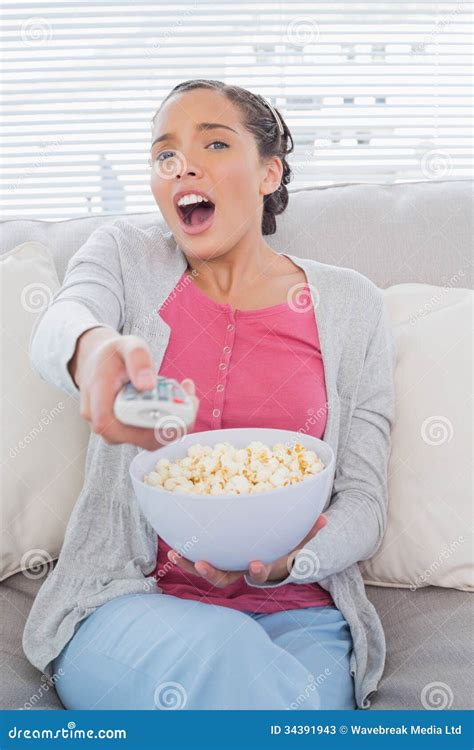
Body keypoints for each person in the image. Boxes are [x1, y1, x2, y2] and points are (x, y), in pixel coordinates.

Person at [22, 80, 396, 711]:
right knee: (227, 664)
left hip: (301, 616)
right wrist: (95, 353)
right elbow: (62, 321)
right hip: (130, 602)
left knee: (286, 704)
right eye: (164, 154)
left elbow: (363, 498)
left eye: (214, 143)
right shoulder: (127, 257)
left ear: (269, 172)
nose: (182, 165)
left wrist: (288, 563)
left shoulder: (351, 304)